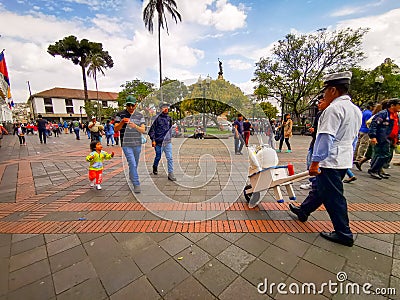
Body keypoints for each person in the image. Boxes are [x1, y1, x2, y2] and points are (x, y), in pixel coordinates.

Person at [289, 71, 361, 247]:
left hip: (330, 160)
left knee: (333, 197)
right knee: (322, 189)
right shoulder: (355, 110)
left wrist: (315, 162)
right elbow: (354, 139)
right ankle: (304, 210)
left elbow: (325, 138)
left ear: (334, 91)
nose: (324, 95)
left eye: (326, 91)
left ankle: (343, 233)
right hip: (343, 159)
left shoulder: (333, 109)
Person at [114, 95, 146, 193]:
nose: (131, 107)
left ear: (136, 105)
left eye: (133, 105)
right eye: (129, 105)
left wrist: (135, 126)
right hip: (126, 143)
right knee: (131, 162)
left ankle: (132, 176)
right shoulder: (120, 114)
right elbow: (116, 129)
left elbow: (143, 130)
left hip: (137, 143)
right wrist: (122, 122)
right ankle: (136, 183)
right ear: (126, 105)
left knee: (135, 164)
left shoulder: (140, 115)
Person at [367, 98, 400, 179]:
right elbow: (374, 125)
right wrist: (373, 136)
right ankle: (374, 170)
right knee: (383, 155)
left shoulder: (395, 115)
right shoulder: (383, 114)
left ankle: (377, 170)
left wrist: (397, 138)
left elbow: (397, 127)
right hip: (381, 137)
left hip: (389, 138)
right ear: (392, 105)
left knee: (385, 155)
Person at [299, 95, 327, 190]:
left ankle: (314, 183)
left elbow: (324, 132)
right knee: (309, 162)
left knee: (313, 163)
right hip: (315, 142)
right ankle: (314, 183)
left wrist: (314, 130)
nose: (318, 105)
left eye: (320, 102)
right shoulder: (320, 114)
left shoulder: (328, 113)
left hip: (320, 144)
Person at [149, 102, 176, 181]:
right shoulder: (156, 118)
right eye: (164, 107)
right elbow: (152, 130)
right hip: (158, 142)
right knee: (158, 156)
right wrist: (153, 140)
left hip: (167, 142)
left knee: (170, 158)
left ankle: (171, 173)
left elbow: (170, 128)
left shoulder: (169, 118)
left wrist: (170, 136)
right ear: (160, 109)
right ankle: (155, 166)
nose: (166, 108)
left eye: (167, 107)